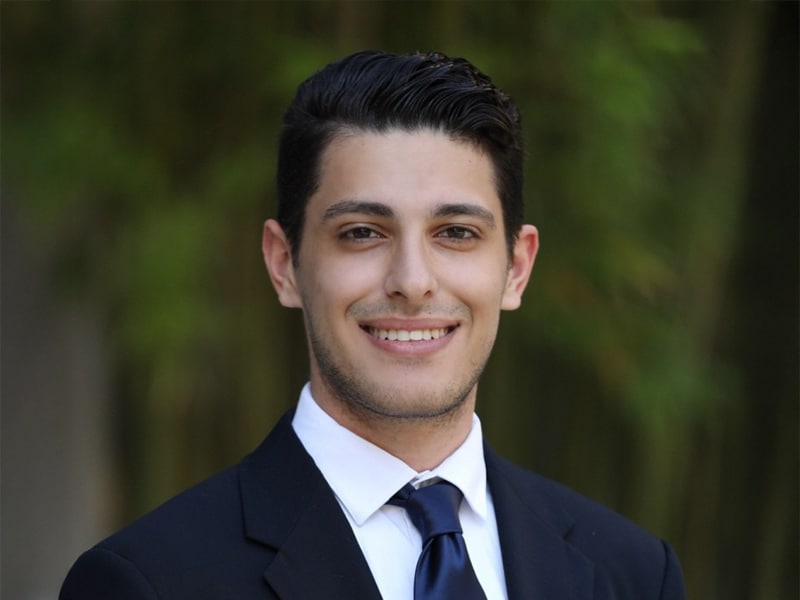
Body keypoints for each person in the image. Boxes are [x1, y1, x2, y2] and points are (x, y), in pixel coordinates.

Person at [60, 50, 686, 600]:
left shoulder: (633, 574)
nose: (412, 281)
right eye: (362, 233)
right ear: (284, 264)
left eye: (456, 233)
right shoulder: (150, 582)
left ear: (516, 269)